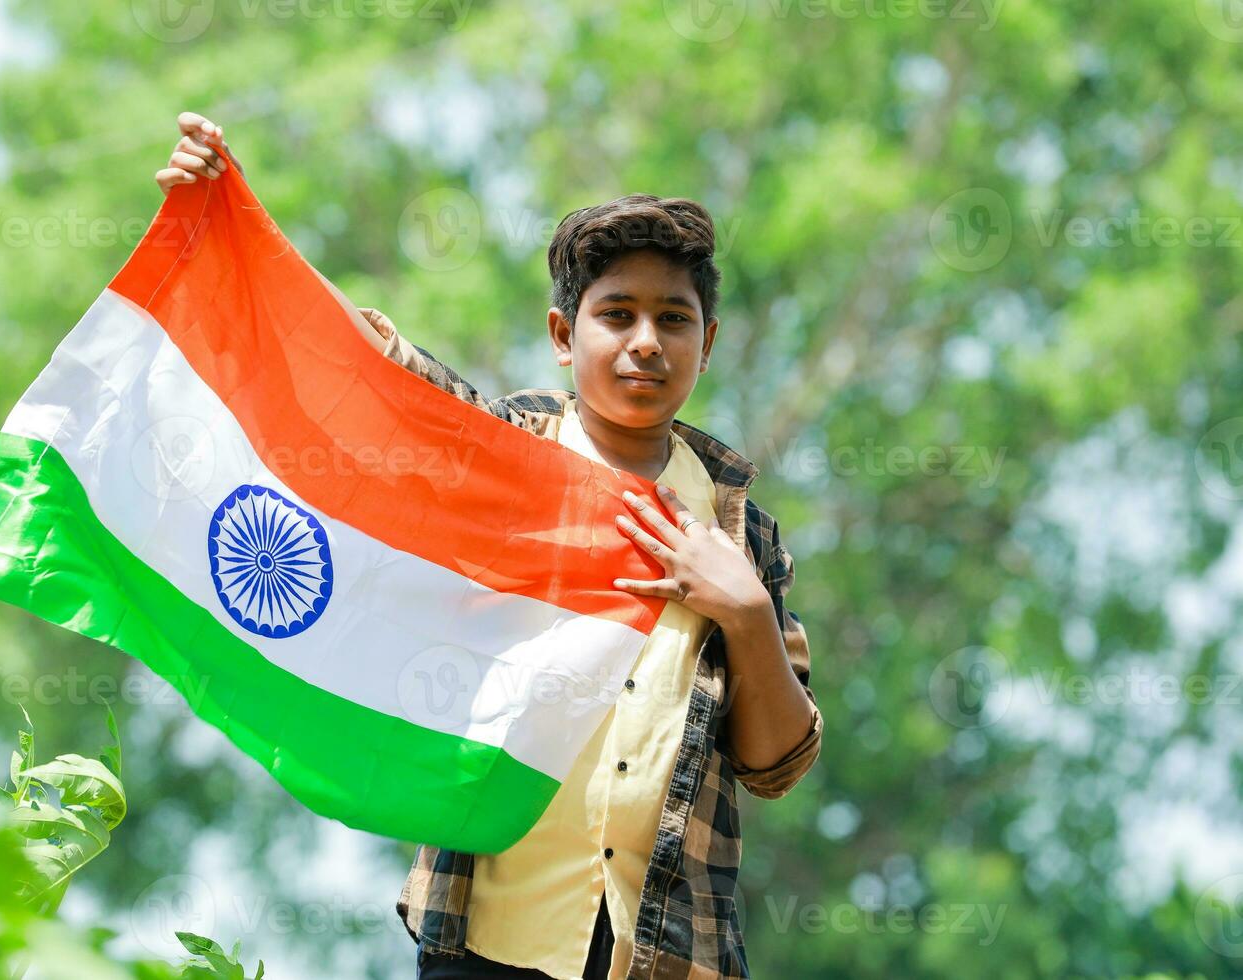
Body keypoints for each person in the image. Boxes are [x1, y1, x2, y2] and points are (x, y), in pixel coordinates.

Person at [158, 112, 824, 980]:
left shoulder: (742, 531)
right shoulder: (503, 457)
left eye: (674, 318)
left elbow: (778, 764)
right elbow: (373, 370)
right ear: (562, 336)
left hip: (670, 952)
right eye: (615, 315)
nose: (646, 343)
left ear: (710, 342)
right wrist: (226, 215)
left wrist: (742, 611)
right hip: (485, 939)